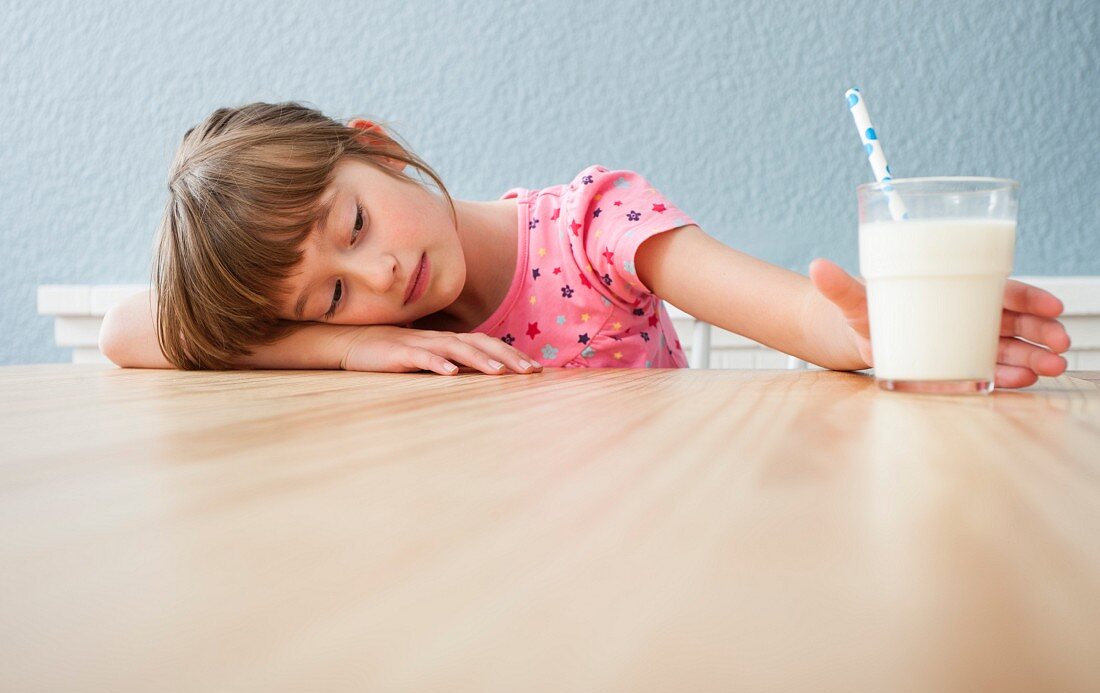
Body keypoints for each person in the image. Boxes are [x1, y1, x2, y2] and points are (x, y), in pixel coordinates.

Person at [100, 102, 1071, 389]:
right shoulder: (380, 328)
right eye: (328, 296)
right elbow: (124, 326)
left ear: (379, 147)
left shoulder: (590, 225)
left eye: (351, 228)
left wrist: (876, 332)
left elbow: (787, 312)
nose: (379, 278)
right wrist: (345, 344)